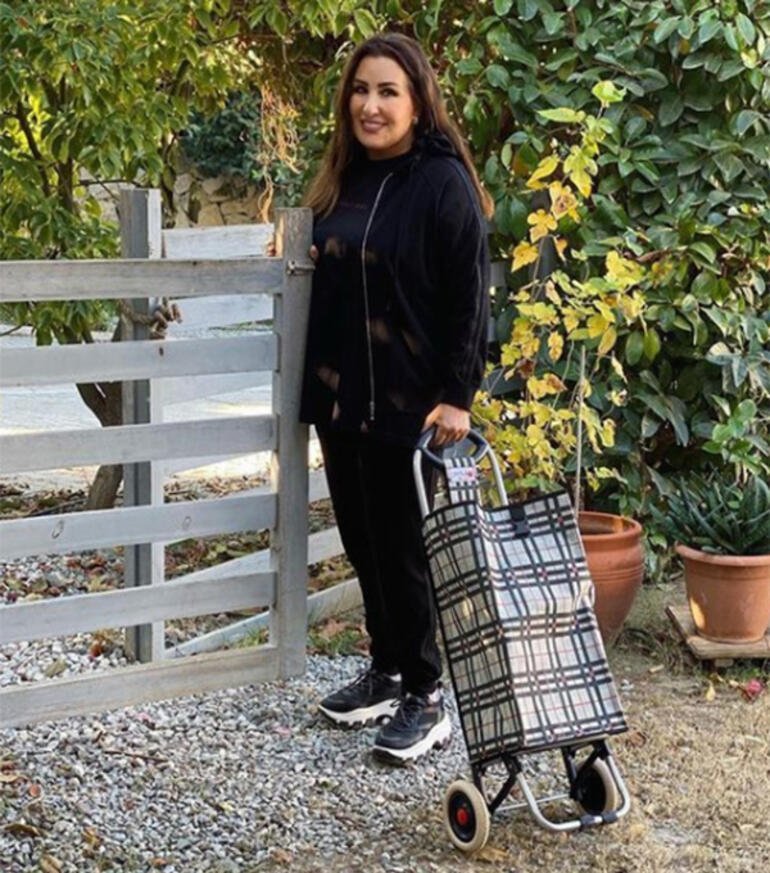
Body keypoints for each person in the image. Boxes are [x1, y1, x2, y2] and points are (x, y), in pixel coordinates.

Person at [299, 32, 492, 764]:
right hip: (342, 398)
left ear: (417, 103)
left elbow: (470, 296)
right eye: (360, 90)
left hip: (412, 403)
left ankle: (426, 694)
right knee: (362, 540)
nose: (370, 106)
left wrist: (458, 395)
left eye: (387, 92)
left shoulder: (441, 182)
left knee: (405, 550)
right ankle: (384, 672)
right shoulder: (341, 179)